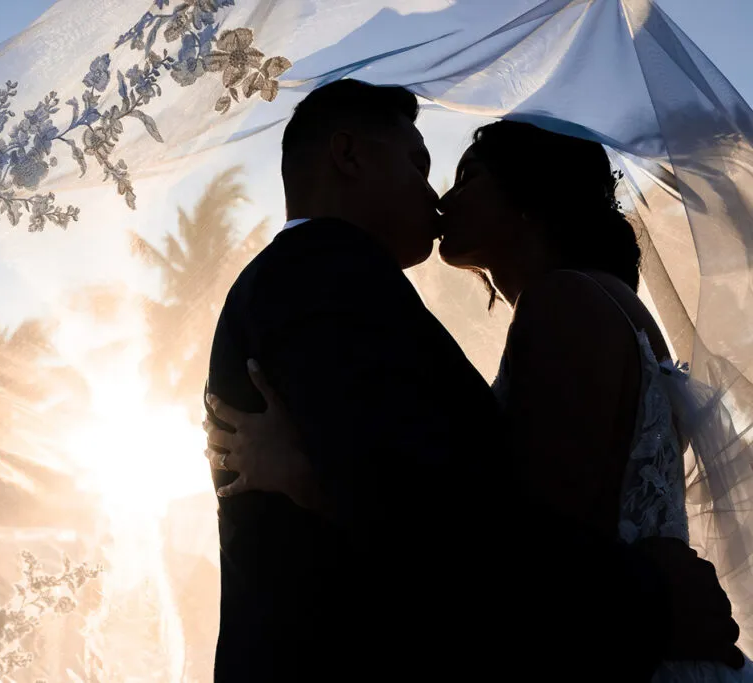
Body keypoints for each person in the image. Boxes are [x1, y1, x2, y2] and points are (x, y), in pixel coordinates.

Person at [204, 81, 743, 682]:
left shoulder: (566, 302)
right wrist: (658, 602)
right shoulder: (322, 270)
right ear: (349, 156)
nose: (439, 199)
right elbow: (449, 512)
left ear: (528, 196)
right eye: (421, 164)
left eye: (465, 177)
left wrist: (311, 474)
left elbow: (491, 522)